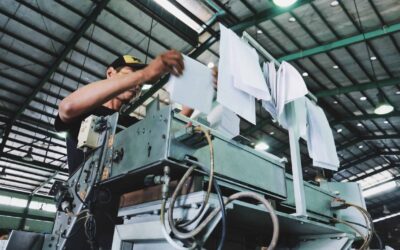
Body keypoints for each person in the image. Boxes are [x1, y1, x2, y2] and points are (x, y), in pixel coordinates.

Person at [55, 50, 187, 176]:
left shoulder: (132, 124)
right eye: (129, 75)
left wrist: (202, 91)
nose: (138, 85)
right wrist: (144, 74)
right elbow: (68, 107)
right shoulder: (85, 110)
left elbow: (171, 135)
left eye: (141, 84)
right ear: (110, 73)